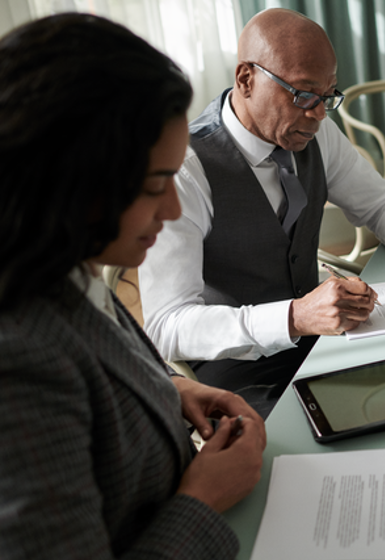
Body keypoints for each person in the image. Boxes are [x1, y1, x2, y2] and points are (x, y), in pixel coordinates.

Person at [0, 14, 265, 559]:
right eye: (153, 187)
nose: (171, 211)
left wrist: (164, 387)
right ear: (68, 183)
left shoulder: (66, 264)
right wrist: (203, 498)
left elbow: (92, 360)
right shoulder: (16, 362)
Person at [138, 8, 385, 412]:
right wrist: (295, 317)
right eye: (301, 93)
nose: (317, 113)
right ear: (246, 79)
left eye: (327, 95)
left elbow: (381, 203)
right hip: (242, 375)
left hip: (322, 344)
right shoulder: (186, 169)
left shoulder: (314, 132)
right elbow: (166, 326)